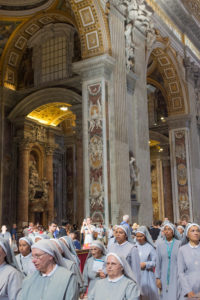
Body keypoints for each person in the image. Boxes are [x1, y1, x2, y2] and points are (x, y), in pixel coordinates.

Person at [155, 222, 181, 300]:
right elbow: (158, 262)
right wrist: (157, 278)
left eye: (169, 229)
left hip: (176, 276)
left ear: (173, 232)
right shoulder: (160, 245)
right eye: (165, 229)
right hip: (163, 276)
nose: (166, 231)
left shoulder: (179, 244)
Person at [136, 226, 159, 300]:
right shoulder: (134, 246)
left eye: (141, 236)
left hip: (147, 275)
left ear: (145, 236)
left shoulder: (150, 247)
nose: (139, 238)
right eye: (137, 236)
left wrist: (146, 264)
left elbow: (155, 262)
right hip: (136, 275)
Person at [178, 223, 200, 299]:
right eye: (192, 231)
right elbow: (181, 272)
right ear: (187, 234)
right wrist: (188, 290)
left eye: (198, 231)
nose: (196, 233)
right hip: (189, 288)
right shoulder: (182, 250)